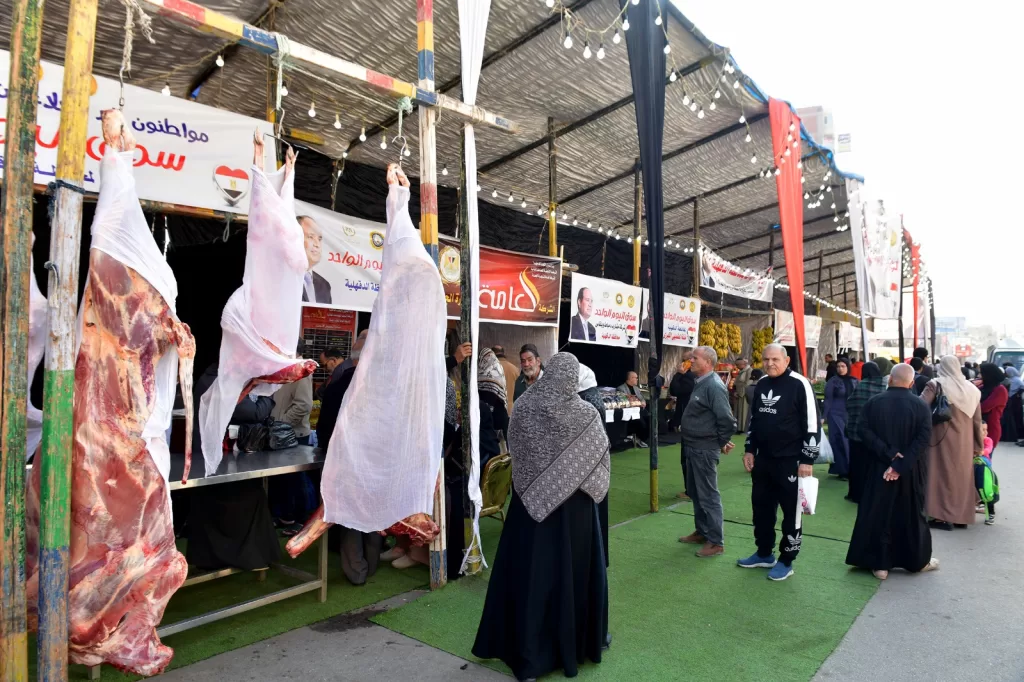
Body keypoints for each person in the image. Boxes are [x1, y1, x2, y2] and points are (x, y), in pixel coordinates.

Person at [473, 353, 609, 681]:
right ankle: (579, 643)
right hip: (575, 513)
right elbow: (600, 459)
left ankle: (528, 653)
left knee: (531, 576)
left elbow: (516, 449)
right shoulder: (585, 413)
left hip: (528, 511)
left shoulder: (524, 403)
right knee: (572, 576)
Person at [845, 364, 938, 579]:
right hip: (910, 470)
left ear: (890, 380)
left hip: (878, 466)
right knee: (911, 514)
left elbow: (863, 431)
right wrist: (900, 465)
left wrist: (889, 454)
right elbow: (923, 439)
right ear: (912, 382)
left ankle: (879, 564)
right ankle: (915, 560)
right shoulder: (921, 406)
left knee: (877, 512)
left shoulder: (874, 403)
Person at [185, 362, 281, 572]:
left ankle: (223, 558)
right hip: (215, 457)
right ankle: (242, 558)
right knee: (234, 501)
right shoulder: (217, 380)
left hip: (220, 455)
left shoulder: (218, 377)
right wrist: (269, 390)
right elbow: (254, 412)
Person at [737, 344, 819, 582]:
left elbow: (812, 423)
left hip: (791, 461)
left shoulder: (799, 384)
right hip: (763, 460)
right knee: (761, 508)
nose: (770, 363)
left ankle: (786, 560)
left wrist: (807, 459)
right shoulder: (761, 383)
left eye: (775, 359)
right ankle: (764, 553)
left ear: (786, 359)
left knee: (791, 512)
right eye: (765, 359)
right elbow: (754, 421)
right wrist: (750, 449)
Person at [677, 346, 736, 558]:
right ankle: (702, 531)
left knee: (708, 495)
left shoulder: (713, 385)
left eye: (695, 358)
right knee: (696, 492)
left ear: (708, 362)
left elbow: (727, 420)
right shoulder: (701, 382)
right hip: (694, 447)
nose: (690, 360)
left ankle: (716, 542)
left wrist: (719, 441)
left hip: (703, 449)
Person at [920, 356, 983, 531]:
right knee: (961, 476)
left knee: (940, 475)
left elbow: (920, 405)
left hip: (940, 437)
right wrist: (978, 445)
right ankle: (961, 517)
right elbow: (977, 421)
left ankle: (942, 518)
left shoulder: (936, 384)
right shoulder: (972, 389)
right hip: (965, 441)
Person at [844, 361, 887, 503]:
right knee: (873, 466)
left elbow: (850, 405)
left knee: (857, 465)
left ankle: (855, 493)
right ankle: (873, 493)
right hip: (877, 435)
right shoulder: (884, 386)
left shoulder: (860, 386)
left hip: (857, 433)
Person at [316, 338, 363, 449]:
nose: (323, 369)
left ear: (333, 360)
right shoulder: (345, 373)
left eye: (324, 365)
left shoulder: (342, 373)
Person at [824, 357, 857, 480]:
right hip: (835, 414)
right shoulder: (833, 381)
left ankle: (850, 469)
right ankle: (842, 470)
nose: (840, 369)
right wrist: (823, 416)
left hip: (849, 415)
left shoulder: (854, 381)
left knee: (849, 442)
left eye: (843, 366)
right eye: (838, 366)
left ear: (848, 367)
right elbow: (828, 400)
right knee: (839, 441)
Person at [477, 348, 509, 471]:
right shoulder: (497, 369)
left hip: (490, 426)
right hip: (502, 419)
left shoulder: (482, 374)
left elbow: (484, 404)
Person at [298, 215, 333, 304]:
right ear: (296, 238)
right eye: (311, 237)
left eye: (319, 239)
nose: (317, 244)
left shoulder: (324, 286)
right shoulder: (283, 277)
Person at [617, 370, 650, 448]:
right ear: (630, 378)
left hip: (640, 410)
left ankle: (643, 439)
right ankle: (639, 439)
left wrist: (643, 402)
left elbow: (642, 398)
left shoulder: (636, 388)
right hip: (630, 412)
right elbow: (622, 401)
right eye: (636, 378)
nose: (637, 379)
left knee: (650, 419)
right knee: (641, 423)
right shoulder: (621, 388)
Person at [978, 362, 1008, 446]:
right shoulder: (982, 387)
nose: (980, 375)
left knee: (985, 456)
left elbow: (985, 407)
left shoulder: (1000, 390)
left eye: (982, 373)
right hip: (979, 426)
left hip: (990, 428)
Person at [492, 345, 520, 417]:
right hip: (512, 411)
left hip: (496, 412)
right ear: (503, 353)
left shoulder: (490, 369)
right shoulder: (515, 369)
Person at [1002, 366, 1024, 443]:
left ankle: (1019, 433)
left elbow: (1022, 387)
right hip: (1010, 400)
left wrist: (1018, 394)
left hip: (1015, 401)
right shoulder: (1008, 380)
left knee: (1017, 417)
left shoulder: (1017, 380)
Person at [732, 359, 753, 434]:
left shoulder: (749, 370)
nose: (737, 366)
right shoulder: (741, 371)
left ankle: (743, 428)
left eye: (738, 365)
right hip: (738, 394)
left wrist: (741, 392)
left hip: (744, 395)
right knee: (738, 412)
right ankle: (738, 428)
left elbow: (748, 383)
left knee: (744, 411)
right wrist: (735, 392)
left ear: (743, 364)